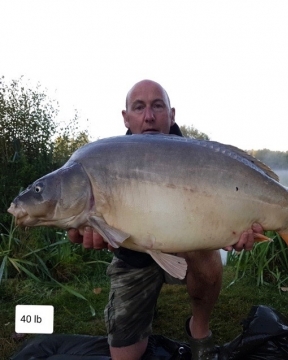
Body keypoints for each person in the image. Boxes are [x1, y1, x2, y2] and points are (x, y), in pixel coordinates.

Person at [68, 80, 264, 360]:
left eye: (157, 106)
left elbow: (227, 206)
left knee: (205, 252)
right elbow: (75, 224)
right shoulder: (106, 159)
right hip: (133, 255)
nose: (149, 116)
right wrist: (81, 229)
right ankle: (145, 307)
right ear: (126, 117)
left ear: (171, 115)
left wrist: (236, 230)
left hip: (189, 251)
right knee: (125, 355)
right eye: (139, 108)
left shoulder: (197, 156)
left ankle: (199, 329)